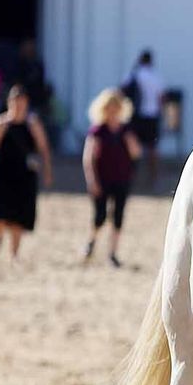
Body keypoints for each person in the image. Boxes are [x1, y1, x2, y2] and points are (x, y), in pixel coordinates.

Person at [0, 84, 53, 260]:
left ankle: (14, 252)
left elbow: (44, 149)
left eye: (21, 101)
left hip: (25, 175)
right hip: (4, 173)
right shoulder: (0, 123)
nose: (18, 105)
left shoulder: (33, 124)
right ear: (9, 102)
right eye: (15, 101)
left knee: (19, 214)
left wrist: (47, 171)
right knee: (1, 211)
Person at [82, 87, 143, 268]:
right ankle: (91, 241)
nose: (112, 110)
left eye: (116, 106)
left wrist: (131, 142)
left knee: (118, 216)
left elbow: (136, 153)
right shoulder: (97, 131)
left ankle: (113, 253)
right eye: (109, 107)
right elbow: (88, 157)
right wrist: (92, 180)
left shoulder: (125, 130)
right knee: (100, 215)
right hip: (102, 179)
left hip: (122, 178)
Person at [122, 49, 165, 189]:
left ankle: (131, 177)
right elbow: (161, 98)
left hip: (136, 116)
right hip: (152, 116)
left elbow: (122, 91)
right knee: (153, 149)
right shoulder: (156, 76)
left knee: (133, 147)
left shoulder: (133, 74)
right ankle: (154, 178)